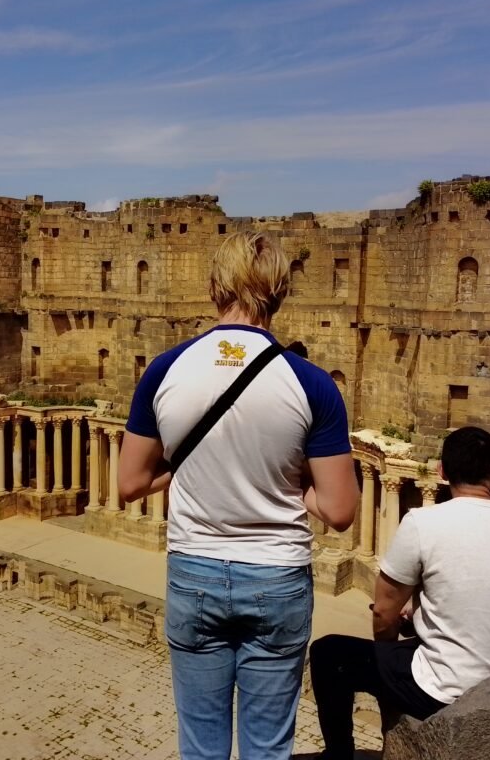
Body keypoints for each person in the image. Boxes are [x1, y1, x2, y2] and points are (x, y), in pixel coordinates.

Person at [118, 230, 359, 760]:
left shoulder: (164, 370)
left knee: (200, 747)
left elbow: (131, 484)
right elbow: (340, 511)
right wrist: (290, 488)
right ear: (279, 293)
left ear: (213, 288)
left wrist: (182, 467)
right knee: (268, 748)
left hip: (195, 571)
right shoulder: (313, 384)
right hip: (277, 577)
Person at [309, 426, 490, 759]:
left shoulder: (423, 522)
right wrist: (419, 616)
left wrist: (386, 653)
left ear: (441, 471)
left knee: (328, 653)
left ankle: (338, 756)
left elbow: (383, 611)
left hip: (450, 688)